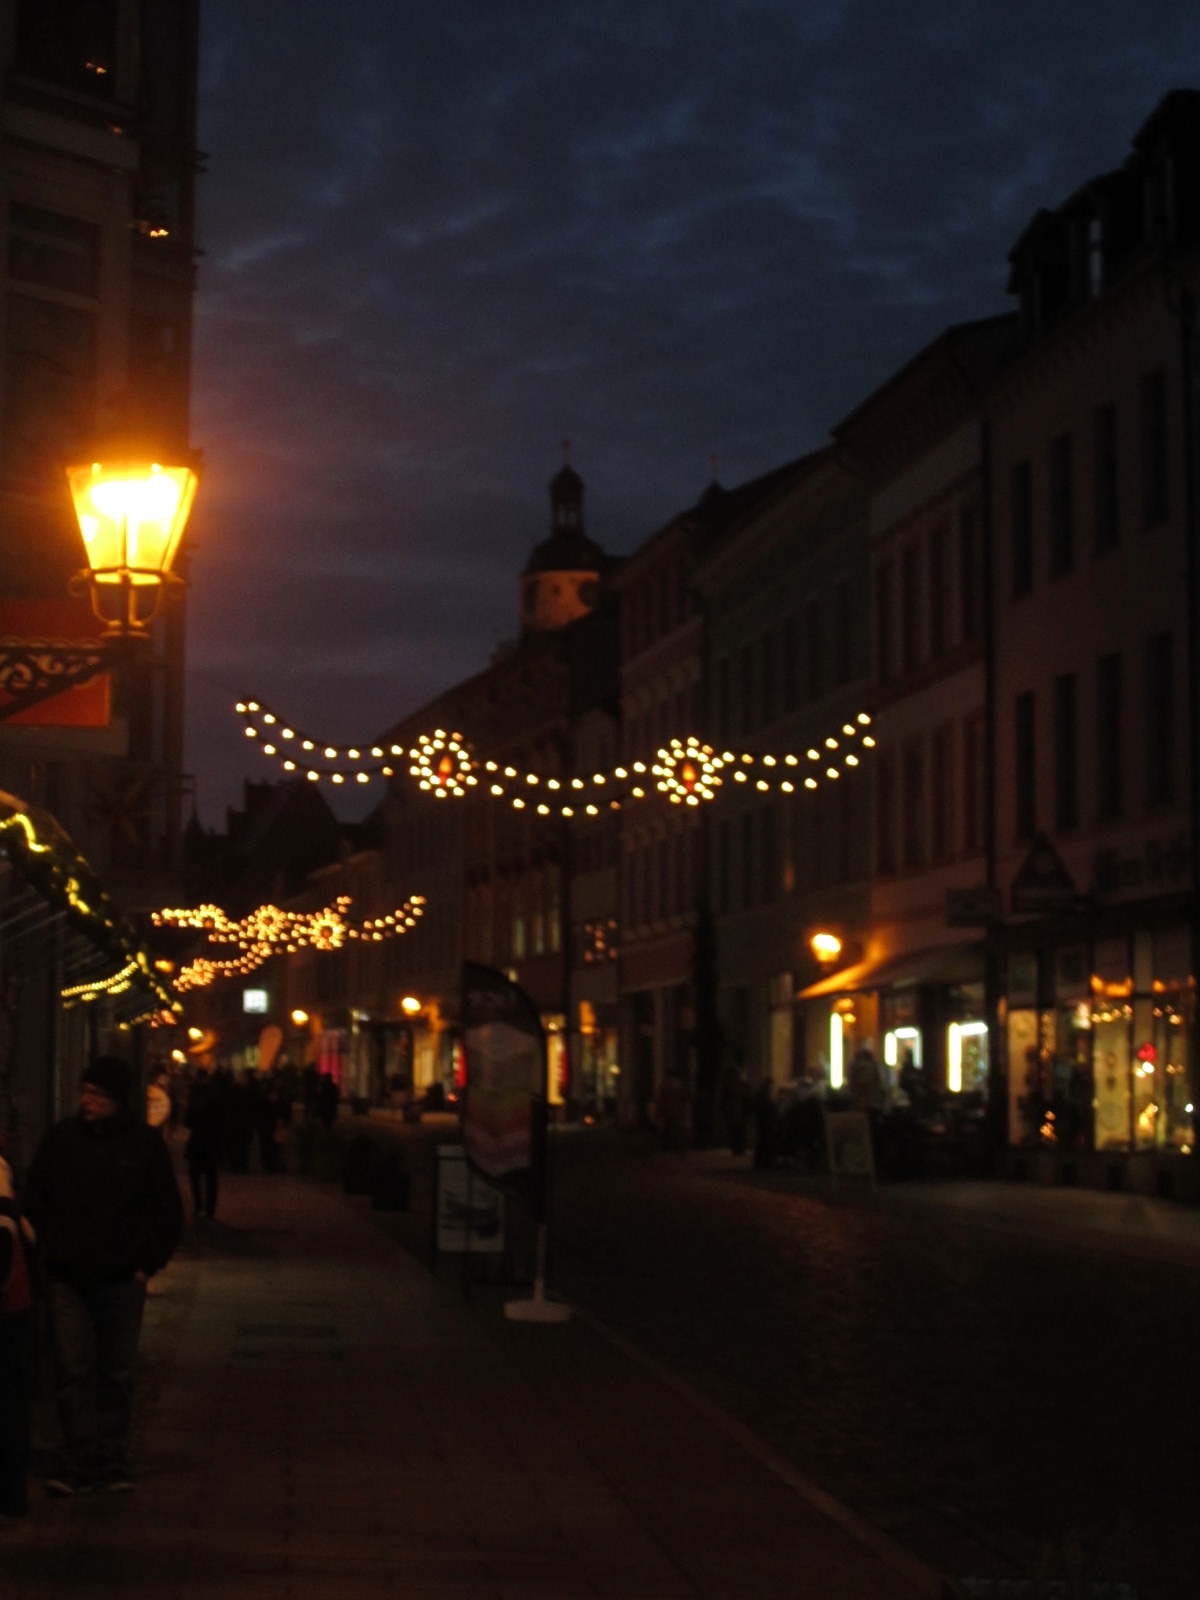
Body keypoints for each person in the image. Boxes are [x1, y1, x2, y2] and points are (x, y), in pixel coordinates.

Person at [24, 1056, 183, 1496]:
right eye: (86, 1092)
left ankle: (110, 1455)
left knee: (116, 1369)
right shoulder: (62, 1141)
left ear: (118, 1100)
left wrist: (143, 1263)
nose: (88, 1101)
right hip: (68, 1276)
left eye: (98, 1095)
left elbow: (166, 1212)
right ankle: (79, 1453)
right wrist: (52, 1250)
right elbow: (37, 1198)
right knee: (74, 1367)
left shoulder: (142, 1146)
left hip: (119, 1279)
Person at [0, 1144, 33, 1519]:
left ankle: (10, 1490)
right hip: (13, 1300)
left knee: (7, 1398)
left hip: (7, 1304)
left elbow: (4, 1237)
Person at [184, 1069, 225, 1220]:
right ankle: (210, 1209)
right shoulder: (216, 1098)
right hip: (212, 1141)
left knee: (194, 1174)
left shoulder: (195, 1098)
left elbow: (188, 1122)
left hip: (197, 1140)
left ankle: (197, 1204)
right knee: (211, 1176)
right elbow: (221, 1122)